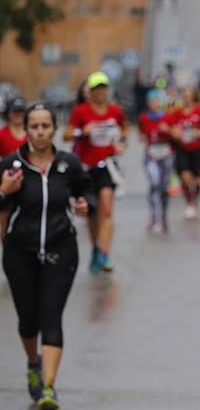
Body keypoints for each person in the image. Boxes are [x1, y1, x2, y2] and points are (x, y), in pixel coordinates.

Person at [0, 104, 93, 410]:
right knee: (29, 319)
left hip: (61, 249)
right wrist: (4, 190)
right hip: (19, 253)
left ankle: (48, 388)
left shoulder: (69, 164)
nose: (40, 132)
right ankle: (32, 363)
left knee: (51, 316)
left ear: (54, 129)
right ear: (26, 130)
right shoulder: (10, 164)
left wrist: (84, 205)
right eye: (34, 126)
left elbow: (86, 193)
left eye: (45, 126)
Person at [65, 71, 127, 273]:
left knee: (107, 210)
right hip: (86, 168)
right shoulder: (81, 111)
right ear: (89, 92)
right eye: (96, 88)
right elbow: (66, 134)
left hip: (107, 166)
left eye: (103, 87)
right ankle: (96, 248)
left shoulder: (115, 111)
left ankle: (105, 254)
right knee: (92, 214)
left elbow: (125, 129)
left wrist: (121, 143)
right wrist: (82, 132)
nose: (101, 92)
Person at [166, 86, 200, 219]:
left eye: (189, 95)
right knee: (185, 177)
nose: (187, 97)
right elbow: (168, 126)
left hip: (199, 149)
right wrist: (175, 132)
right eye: (185, 95)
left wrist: (197, 133)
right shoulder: (177, 112)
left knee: (198, 180)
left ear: (193, 96)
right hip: (183, 149)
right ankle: (189, 202)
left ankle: (195, 198)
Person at [137, 89, 174, 232]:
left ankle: (164, 215)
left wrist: (169, 131)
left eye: (157, 101)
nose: (154, 104)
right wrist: (143, 137)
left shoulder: (168, 117)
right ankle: (153, 215)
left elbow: (177, 133)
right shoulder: (144, 118)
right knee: (154, 184)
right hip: (151, 154)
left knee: (164, 188)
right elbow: (140, 133)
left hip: (166, 155)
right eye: (152, 102)